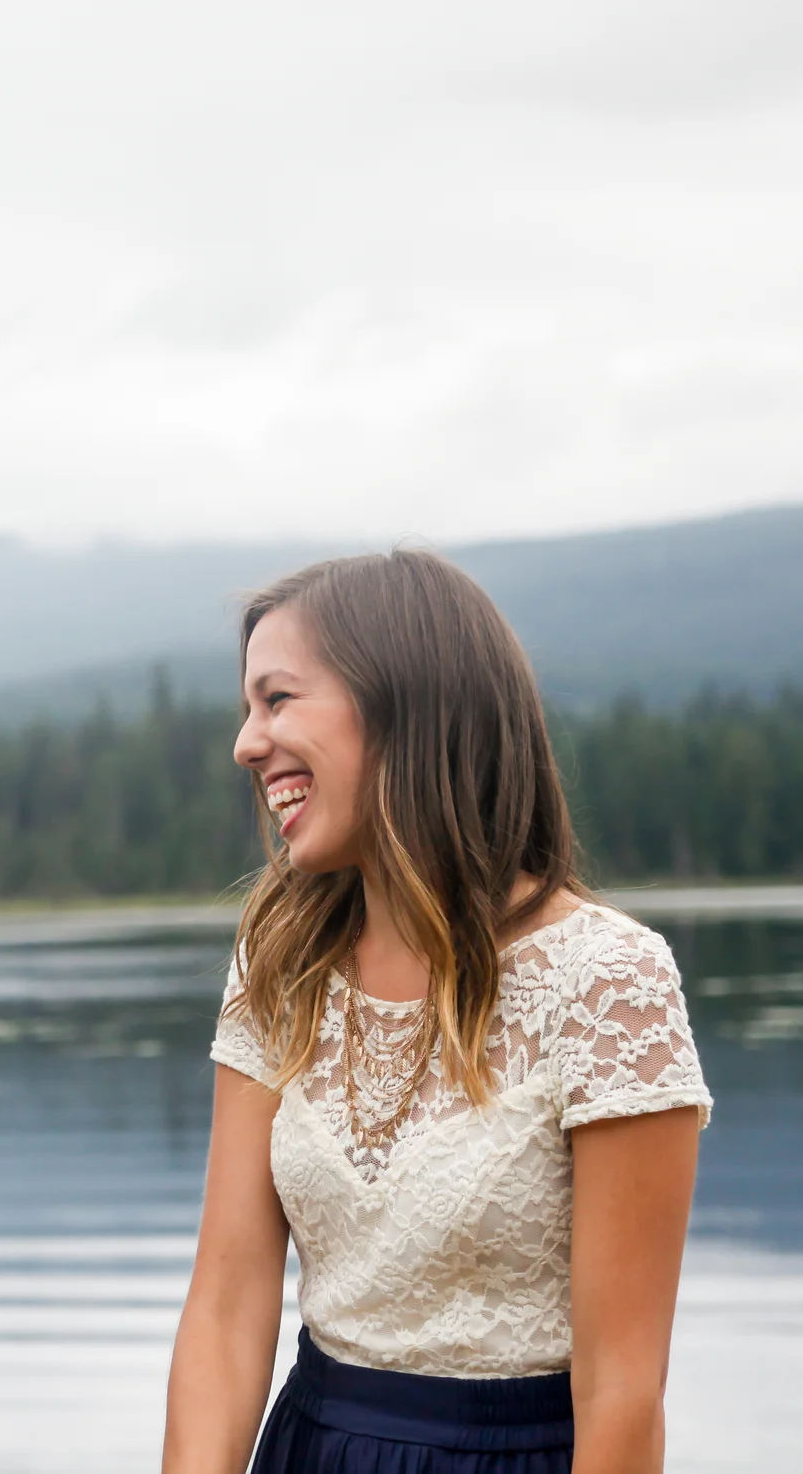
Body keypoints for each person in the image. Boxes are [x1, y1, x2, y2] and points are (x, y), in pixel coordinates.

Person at [162, 551, 711, 1474]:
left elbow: (624, 1391)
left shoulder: (607, 977)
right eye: (249, 707)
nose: (246, 742)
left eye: (278, 699)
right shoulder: (280, 960)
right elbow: (227, 1301)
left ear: (403, 705)